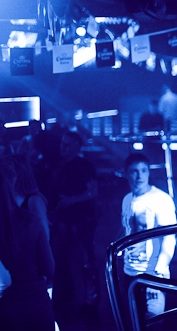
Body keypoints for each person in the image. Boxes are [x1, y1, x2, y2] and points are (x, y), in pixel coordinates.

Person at [120, 153, 177, 329]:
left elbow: (170, 237)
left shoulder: (161, 199)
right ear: (126, 173)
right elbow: (126, 229)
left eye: (144, 170)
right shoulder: (127, 199)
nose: (140, 176)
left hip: (152, 273)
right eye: (134, 171)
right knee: (134, 322)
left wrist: (158, 272)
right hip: (130, 272)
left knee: (153, 324)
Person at [49, 130, 100, 325]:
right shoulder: (62, 164)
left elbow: (93, 192)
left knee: (86, 261)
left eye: (67, 145)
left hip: (82, 221)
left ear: (77, 146)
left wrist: (71, 200)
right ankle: (66, 295)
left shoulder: (84, 166)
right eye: (62, 144)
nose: (63, 148)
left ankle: (91, 302)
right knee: (62, 259)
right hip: (65, 221)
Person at [0, 161, 55, 330]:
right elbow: (49, 268)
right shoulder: (30, 221)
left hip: (8, 311)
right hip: (36, 305)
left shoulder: (33, 207)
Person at [3, 154, 50, 240]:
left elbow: (44, 235)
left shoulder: (34, 200)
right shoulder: (6, 197)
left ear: (20, 173)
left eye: (9, 172)